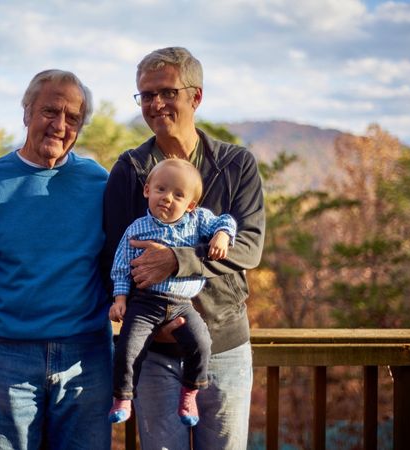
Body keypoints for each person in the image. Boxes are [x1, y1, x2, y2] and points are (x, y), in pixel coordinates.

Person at [102, 47, 265, 450]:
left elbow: (249, 246)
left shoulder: (235, 164)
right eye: (145, 95)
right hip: (153, 351)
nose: (155, 104)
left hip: (224, 346)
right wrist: (136, 312)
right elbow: (111, 253)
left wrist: (177, 260)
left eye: (167, 92)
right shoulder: (131, 169)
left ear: (196, 97)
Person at [0, 69, 112, 450]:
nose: (59, 125)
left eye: (73, 118)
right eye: (50, 111)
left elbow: (120, 261)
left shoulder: (98, 183)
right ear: (26, 113)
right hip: (8, 360)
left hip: (87, 359)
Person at [108, 158, 237, 427]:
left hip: (182, 304)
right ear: (147, 191)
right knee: (127, 348)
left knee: (200, 343)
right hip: (145, 302)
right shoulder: (137, 229)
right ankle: (122, 396)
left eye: (178, 195)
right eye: (161, 189)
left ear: (190, 205)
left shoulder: (197, 221)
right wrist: (120, 299)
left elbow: (225, 220)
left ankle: (189, 392)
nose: (167, 198)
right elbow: (121, 266)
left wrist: (223, 235)